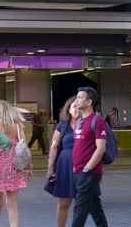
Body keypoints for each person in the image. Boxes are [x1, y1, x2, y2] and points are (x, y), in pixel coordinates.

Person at [0, 100, 33, 227]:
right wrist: (29, 164)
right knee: (12, 206)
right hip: (13, 167)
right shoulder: (17, 126)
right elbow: (24, 146)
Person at [72, 87, 108, 227]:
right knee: (95, 209)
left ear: (89, 102)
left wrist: (87, 169)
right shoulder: (80, 121)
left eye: (80, 97)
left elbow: (100, 149)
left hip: (88, 173)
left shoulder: (97, 121)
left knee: (79, 209)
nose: (76, 100)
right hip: (78, 172)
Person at [45, 95, 80, 227]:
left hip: (83, 166)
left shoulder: (88, 124)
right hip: (64, 166)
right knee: (63, 204)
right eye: (74, 106)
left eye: (80, 106)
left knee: (82, 204)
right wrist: (50, 167)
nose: (77, 109)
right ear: (69, 109)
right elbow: (54, 146)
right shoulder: (62, 125)